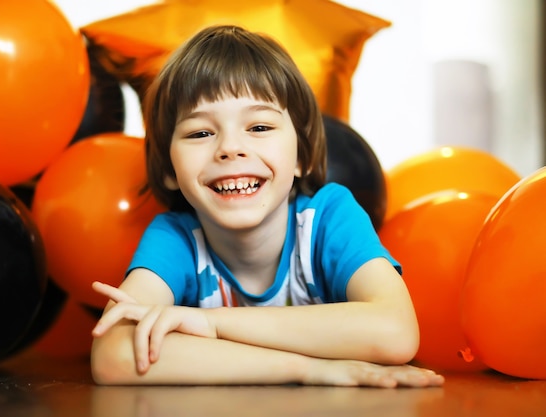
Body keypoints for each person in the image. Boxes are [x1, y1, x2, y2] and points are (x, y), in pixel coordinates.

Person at [90, 25, 444, 388]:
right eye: (200, 133)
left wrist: (212, 324)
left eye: (258, 126)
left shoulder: (328, 217)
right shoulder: (176, 238)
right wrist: (307, 369)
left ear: (301, 157)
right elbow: (114, 355)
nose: (230, 147)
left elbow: (395, 331)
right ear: (168, 169)